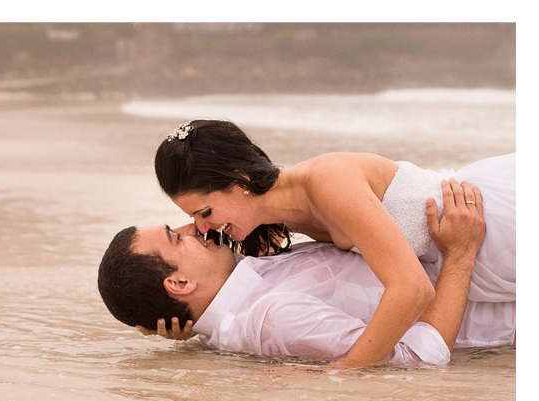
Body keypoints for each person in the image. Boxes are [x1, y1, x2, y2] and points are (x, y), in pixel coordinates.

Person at [147, 119, 515, 366]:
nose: (200, 228)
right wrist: (177, 318)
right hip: (479, 259)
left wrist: (343, 373)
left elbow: (412, 289)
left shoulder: (327, 182)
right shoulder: (281, 216)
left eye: (204, 211)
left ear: (240, 180)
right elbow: (227, 287)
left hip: (495, 225)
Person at [97, 178, 514, 367]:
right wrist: (461, 254)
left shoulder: (242, 290)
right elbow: (418, 358)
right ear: (179, 283)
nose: (193, 227)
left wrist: (193, 328)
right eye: (176, 236)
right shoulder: (270, 316)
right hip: (501, 303)